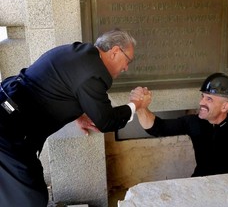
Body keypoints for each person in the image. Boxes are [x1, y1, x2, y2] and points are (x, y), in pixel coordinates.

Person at [0, 28, 147, 207]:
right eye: (128, 60)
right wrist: (136, 105)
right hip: (7, 132)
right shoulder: (93, 72)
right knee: (30, 198)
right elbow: (106, 120)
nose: (126, 67)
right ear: (115, 51)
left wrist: (78, 113)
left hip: (8, 116)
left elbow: (58, 87)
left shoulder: (80, 54)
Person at [131, 72, 228, 186]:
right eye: (202, 96)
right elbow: (157, 128)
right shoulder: (193, 122)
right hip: (199, 183)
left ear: (225, 106)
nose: (201, 102)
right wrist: (140, 108)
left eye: (209, 99)